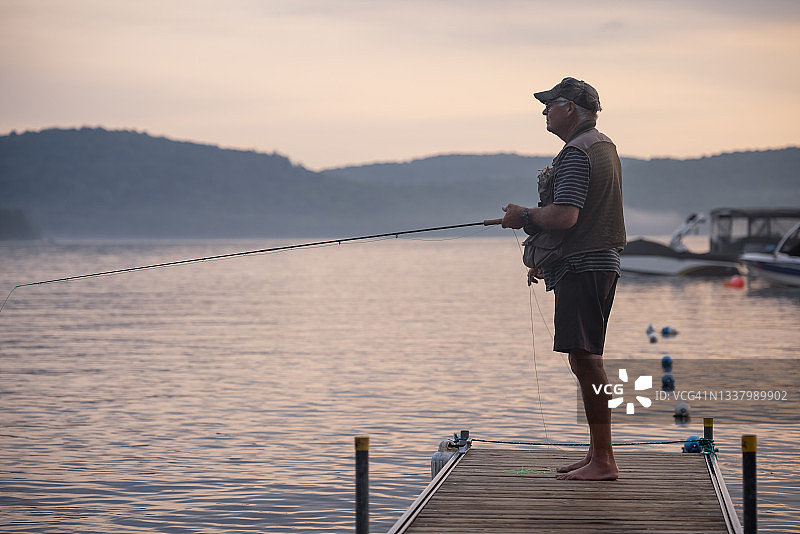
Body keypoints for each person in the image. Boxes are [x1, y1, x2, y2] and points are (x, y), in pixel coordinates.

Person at [501, 77, 626, 481]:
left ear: (570, 107)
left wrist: (522, 215)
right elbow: (584, 218)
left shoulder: (576, 152)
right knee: (586, 358)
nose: (544, 110)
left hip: (584, 267)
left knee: (586, 360)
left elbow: (566, 215)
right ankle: (596, 454)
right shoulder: (602, 145)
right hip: (594, 262)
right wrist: (547, 257)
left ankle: (604, 460)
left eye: (550, 104)